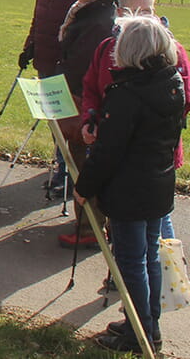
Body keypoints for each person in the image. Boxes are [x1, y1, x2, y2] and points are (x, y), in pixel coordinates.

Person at [75, 17, 185, 353]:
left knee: (132, 261)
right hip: (158, 183)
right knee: (147, 256)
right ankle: (146, 324)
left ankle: (140, 334)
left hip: (129, 190)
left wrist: (84, 186)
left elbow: (109, 151)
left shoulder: (128, 93)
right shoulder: (171, 82)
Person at [79, 0, 190, 240]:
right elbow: (91, 90)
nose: (143, 19)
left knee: (158, 226)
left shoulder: (173, 52)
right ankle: (120, 271)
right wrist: (90, 119)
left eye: (148, 11)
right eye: (135, 12)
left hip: (153, 156)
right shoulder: (107, 49)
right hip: (112, 148)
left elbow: (182, 101)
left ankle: (168, 274)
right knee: (122, 224)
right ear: (120, 13)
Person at [55, 0, 120, 247]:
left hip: (83, 100)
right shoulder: (93, 13)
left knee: (81, 163)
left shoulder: (96, 22)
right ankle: (89, 222)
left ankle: (88, 228)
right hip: (82, 97)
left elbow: (82, 67)